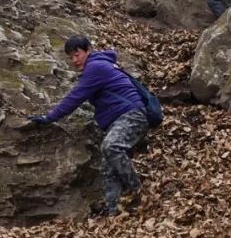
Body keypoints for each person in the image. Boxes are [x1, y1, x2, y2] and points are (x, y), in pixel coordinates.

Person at [27, 35, 149, 217]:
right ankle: (114, 211)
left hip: (132, 115)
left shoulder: (95, 67)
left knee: (111, 147)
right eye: (71, 57)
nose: (74, 60)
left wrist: (50, 117)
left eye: (77, 54)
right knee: (108, 169)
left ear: (88, 50)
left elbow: (75, 97)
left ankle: (137, 190)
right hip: (120, 118)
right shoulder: (97, 65)